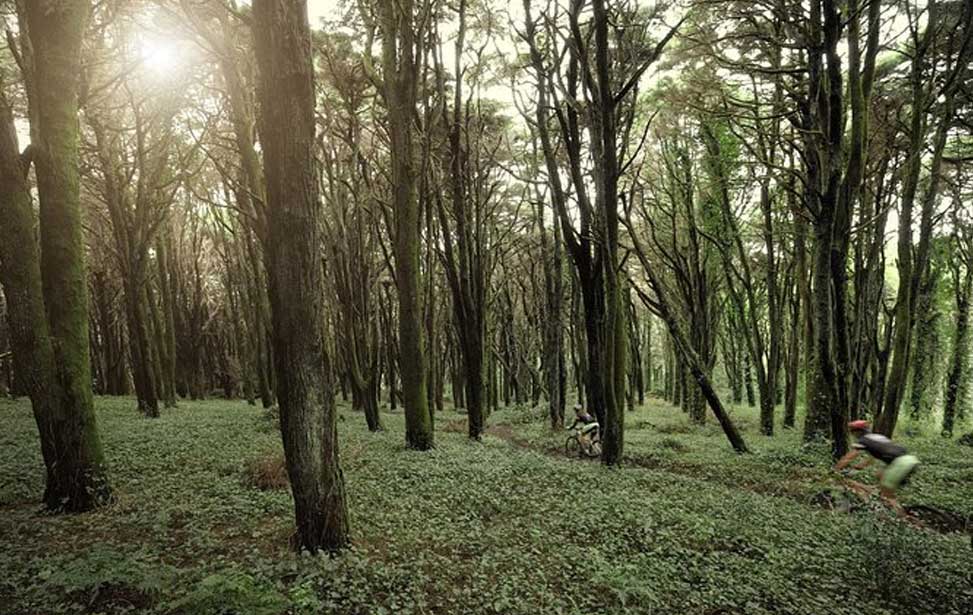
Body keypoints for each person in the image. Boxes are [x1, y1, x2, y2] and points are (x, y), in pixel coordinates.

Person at [834, 420, 920, 515]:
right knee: (879, 474)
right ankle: (884, 501)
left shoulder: (863, 440)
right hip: (909, 460)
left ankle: (901, 517)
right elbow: (871, 459)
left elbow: (849, 457)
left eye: (852, 432)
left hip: (900, 463)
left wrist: (836, 469)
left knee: (887, 494)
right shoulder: (876, 437)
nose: (852, 434)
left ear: (857, 432)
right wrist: (859, 467)